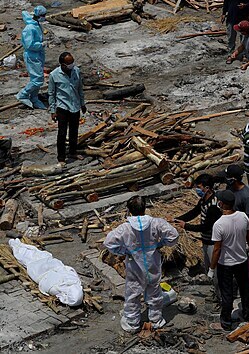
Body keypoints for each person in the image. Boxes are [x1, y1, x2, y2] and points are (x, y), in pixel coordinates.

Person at [104, 196, 179, 332]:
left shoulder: (125, 228)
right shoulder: (157, 223)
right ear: (145, 208)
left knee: (133, 294)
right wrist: (160, 244)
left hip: (134, 266)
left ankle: (132, 323)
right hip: (153, 264)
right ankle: (156, 321)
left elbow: (109, 243)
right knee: (154, 292)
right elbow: (174, 236)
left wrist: (125, 251)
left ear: (129, 210)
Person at [210, 190, 249, 331]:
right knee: (244, 288)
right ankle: (248, 313)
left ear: (221, 203)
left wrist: (212, 269)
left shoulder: (219, 224)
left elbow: (217, 249)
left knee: (227, 293)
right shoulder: (243, 217)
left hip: (226, 264)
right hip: (242, 260)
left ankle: (226, 320)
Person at [172, 174, 222, 273]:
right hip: (206, 240)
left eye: (199, 187)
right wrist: (176, 220)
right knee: (209, 268)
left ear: (207, 188)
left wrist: (186, 226)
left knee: (215, 271)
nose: (197, 190)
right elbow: (194, 212)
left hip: (213, 242)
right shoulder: (203, 200)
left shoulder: (213, 205)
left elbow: (205, 227)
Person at [48, 52, 86, 165]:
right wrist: (52, 111)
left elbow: (80, 89)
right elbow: (51, 94)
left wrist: (82, 104)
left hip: (75, 106)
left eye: (72, 62)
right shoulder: (54, 75)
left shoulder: (76, 71)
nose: (71, 65)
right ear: (63, 64)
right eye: (69, 63)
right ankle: (61, 157)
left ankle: (73, 152)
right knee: (62, 133)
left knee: (74, 131)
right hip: (62, 107)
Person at [16, 5, 47, 109]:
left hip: (38, 55)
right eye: (43, 15)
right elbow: (29, 45)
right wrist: (40, 45)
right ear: (38, 15)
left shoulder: (37, 24)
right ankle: (23, 94)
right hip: (32, 55)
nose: (44, 17)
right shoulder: (29, 28)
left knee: (37, 77)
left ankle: (34, 97)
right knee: (37, 79)